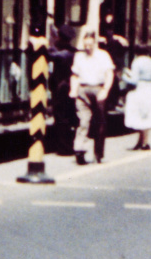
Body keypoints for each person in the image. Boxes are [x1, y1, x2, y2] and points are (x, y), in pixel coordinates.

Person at [71, 31, 115, 164]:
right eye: (85, 45)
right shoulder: (79, 56)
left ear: (95, 43)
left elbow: (109, 74)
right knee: (83, 120)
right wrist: (73, 89)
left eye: (90, 45)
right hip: (83, 90)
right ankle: (79, 150)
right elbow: (75, 75)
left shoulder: (103, 55)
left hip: (98, 89)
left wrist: (105, 90)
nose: (87, 48)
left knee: (100, 123)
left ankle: (98, 153)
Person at [48, 22, 77, 154]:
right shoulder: (73, 52)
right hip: (70, 87)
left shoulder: (62, 54)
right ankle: (68, 144)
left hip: (61, 89)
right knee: (69, 116)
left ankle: (64, 147)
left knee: (61, 117)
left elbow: (51, 54)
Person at [122, 54, 151, 151]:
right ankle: (141, 141)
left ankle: (144, 143)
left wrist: (123, 76)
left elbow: (134, 80)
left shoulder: (137, 61)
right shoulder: (150, 60)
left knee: (140, 115)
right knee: (146, 114)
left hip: (140, 89)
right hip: (149, 87)